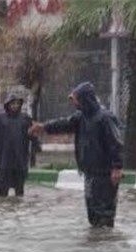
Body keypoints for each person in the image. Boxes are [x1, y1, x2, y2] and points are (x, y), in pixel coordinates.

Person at [30, 81, 124, 227]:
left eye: (77, 100)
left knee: (104, 214)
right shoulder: (81, 117)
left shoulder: (105, 118)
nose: (75, 104)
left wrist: (116, 167)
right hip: (89, 173)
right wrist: (44, 127)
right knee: (92, 213)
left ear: (85, 99)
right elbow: (64, 124)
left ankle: (105, 244)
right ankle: (97, 244)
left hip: (104, 174)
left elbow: (115, 144)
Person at [0, 91, 39, 198]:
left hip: (20, 159)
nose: (15, 106)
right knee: (3, 191)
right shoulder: (0, 119)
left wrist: (37, 145)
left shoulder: (25, 119)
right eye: (13, 104)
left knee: (19, 191)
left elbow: (33, 134)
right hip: (4, 160)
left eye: (17, 104)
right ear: (7, 105)